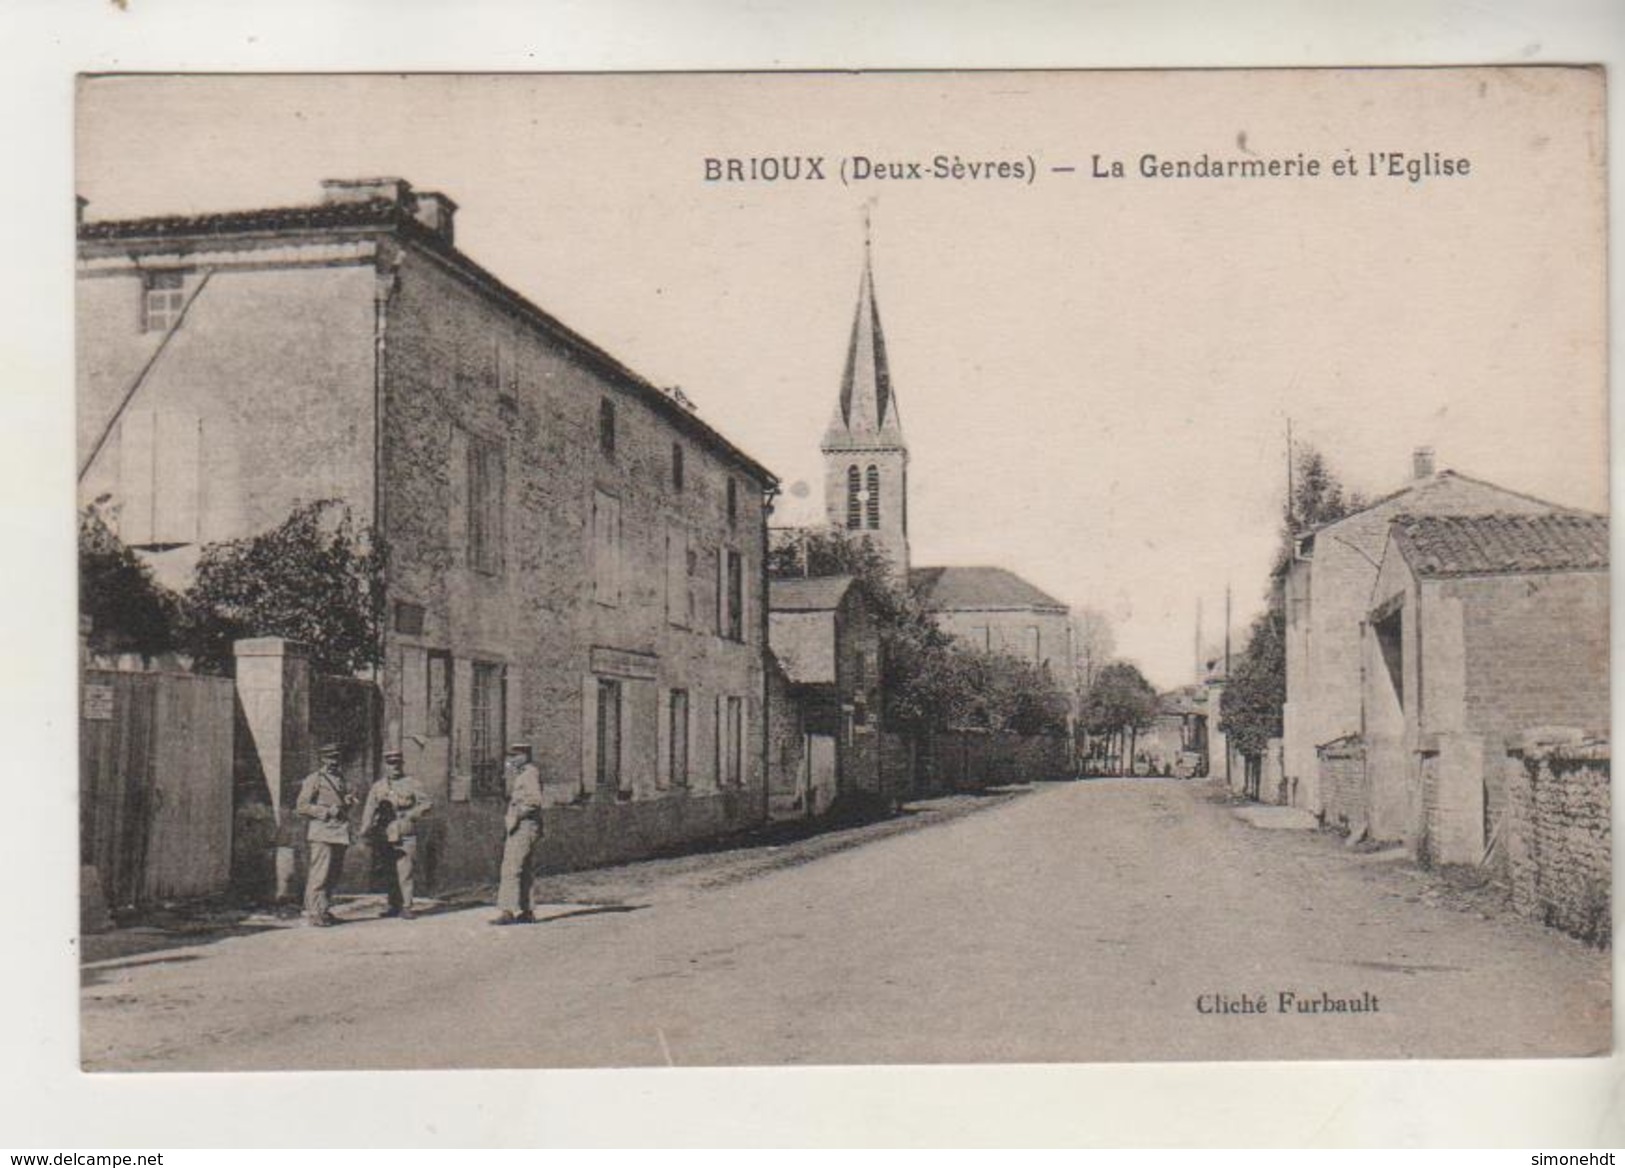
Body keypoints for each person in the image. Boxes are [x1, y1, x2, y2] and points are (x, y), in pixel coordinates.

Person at [361, 749, 433, 920]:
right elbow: (369, 810)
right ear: (385, 766)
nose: (394, 767)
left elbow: (427, 804)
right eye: (390, 764)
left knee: (405, 870)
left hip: (405, 830)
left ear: (402, 765)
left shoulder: (412, 783)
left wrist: (412, 814)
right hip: (385, 833)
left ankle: (407, 906)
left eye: (397, 764)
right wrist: (365, 830)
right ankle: (393, 904)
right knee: (389, 870)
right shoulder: (378, 787)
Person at [295, 742, 356, 927]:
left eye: (336, 758)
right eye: (330, 758)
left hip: (339, 832)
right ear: (322, 759)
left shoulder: (341, 779)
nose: (333, 761)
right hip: (322, 832)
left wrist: (348, 801)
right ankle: (314, 912)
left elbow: (341, 803)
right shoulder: (314, 779)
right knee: (320, 874)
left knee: (333, 874)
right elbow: (302, 807)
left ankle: (324, 909)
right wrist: (327, 811)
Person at [493, 742, 544, 925]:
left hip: (524, 825)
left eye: (515, 756)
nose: (512, 760)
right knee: (524, 869)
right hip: (527, 826)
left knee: (511, 868)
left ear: (525, 756)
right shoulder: (526, 773)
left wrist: (516, 816)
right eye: (511, 757)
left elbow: (534, 801)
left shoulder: (529, 774)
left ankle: (507, 911)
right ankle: (527, 910)